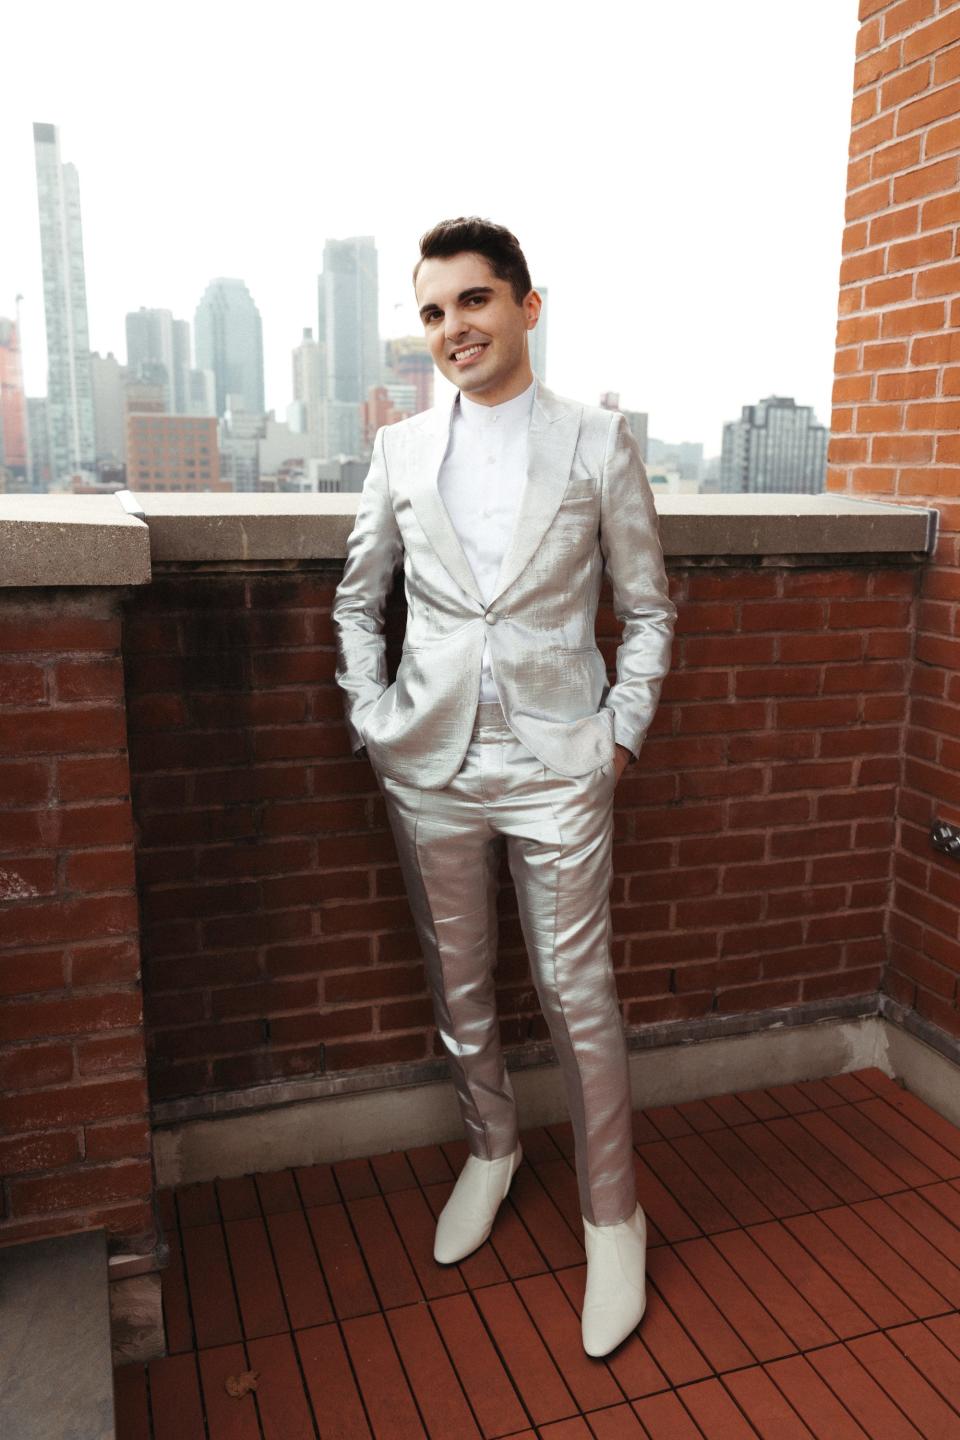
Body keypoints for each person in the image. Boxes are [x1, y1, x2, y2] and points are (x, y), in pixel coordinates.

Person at [332, 216, 676, 1356]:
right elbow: (356, 599)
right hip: (428, 763)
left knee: (581, 998)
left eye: (472, 302)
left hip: (559, 765)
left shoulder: (596, 441)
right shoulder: (397, 452)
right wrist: (372, 716)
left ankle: (612, 1215)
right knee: (460, 982)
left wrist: (618, 735)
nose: (451, 329)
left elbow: (650, 606)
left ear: (527, 306)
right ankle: (492, 1149)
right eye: (432, 312)